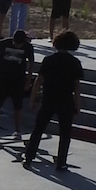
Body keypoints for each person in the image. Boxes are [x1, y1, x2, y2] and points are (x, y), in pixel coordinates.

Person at [23, 31, 83, 171]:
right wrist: (78, 105)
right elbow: (77, 87)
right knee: (65, 133)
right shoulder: (74, 63)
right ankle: (61, 162)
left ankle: (29, 158)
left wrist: (32, 98)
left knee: (38, 129)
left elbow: (38, 80)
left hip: (48, 99)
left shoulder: (48, 60)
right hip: (66, 100)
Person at [0, 30, 35, 142]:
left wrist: (28, 80)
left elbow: (31, 63)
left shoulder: (28, 47)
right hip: (3, 78)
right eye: (16, 44)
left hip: (18, 79)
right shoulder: (4, 43)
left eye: (20, 45)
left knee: (18, 106)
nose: (18, 46)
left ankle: (17, 131)